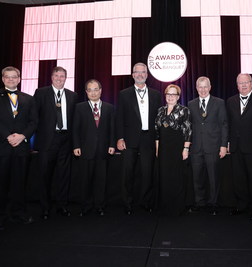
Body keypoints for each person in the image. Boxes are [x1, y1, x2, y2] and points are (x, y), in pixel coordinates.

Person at [0, 66, 37, 231]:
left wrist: (22, 136)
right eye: (7, 77)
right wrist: (8, 136)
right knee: (0, 185)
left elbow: (34, 122)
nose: (11, 80)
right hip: (0, 148)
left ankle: (18, 213)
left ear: (19, 79)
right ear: (3, 79)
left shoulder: (29, 98)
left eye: (14, 77)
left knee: (19, 184)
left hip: (21, 148)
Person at [116, 62, 162, 215]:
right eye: (137, 72)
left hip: (148, 138)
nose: (140, 74)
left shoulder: (156, 94)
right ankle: (127, 203)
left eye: (143, 72)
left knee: (147, 173)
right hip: (129, 139)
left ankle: (145, 202)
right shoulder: (124, 94)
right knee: (127, 173)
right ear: (132, 75)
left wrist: (158, 140)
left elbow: (159, 120)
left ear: (147, 75)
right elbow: (120, 118)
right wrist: (120, 138)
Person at [33, 66, 78, 220]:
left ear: (66, 78)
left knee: (64, 175)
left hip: (66, 140)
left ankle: (62, 206)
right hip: (47, 141)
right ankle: (45, 208)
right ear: (52, 77)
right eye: (57, 76)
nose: (59, 79)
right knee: (45, 175)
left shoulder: (73, 96)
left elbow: (75, 121)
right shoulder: (41, 93)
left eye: (62, 76)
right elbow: (34, 117)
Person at [72, 79, 115, 216]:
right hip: (85, 150)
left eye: (96, 89)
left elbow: (112, 129)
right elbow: (75, 129)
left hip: (103, 150)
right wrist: (76, 145)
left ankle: (100, 206)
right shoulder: (80, 107)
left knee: (101, 181)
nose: (93, 92)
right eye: (90, 90)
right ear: (86, 92)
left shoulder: (109, 107)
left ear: (101, 91)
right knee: (85, 180)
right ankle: (85, 206)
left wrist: (112, 144)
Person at [226, 73, 252, 221]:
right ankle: (242, 206)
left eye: (246, 82)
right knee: (239, 179)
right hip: (236, 147)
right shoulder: (231, 101)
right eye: (240, 83)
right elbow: (229, 123)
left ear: (251, 83)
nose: (243, 85)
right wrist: (228, 142)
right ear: (237, 85)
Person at [188, 76, 228, 215]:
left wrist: (223, 145)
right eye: (200, 87)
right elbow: (189, 127)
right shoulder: (191, 104)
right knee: (197, 177)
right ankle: (200, 203)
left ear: (210, 87)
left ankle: (213, 203)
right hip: (196, 148)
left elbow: (224, 124)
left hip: (213, 146)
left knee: (213, 177)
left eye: (206, 86)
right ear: (196, 88)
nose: (203, 89)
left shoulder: (219, 103)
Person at [155, 84, 192, 216]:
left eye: (173, 94)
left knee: (177, 177)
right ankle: (165, 206)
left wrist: (186, 149)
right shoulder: (160, 110)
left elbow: (188, 131)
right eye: (168, 94)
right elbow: (157, 133)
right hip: (164, 149)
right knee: (164, 177)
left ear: (178, 97)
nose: (171, 97)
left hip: (178, 148)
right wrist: (157, 150)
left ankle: (177, 207)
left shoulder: (184, 110)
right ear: (165, 96)